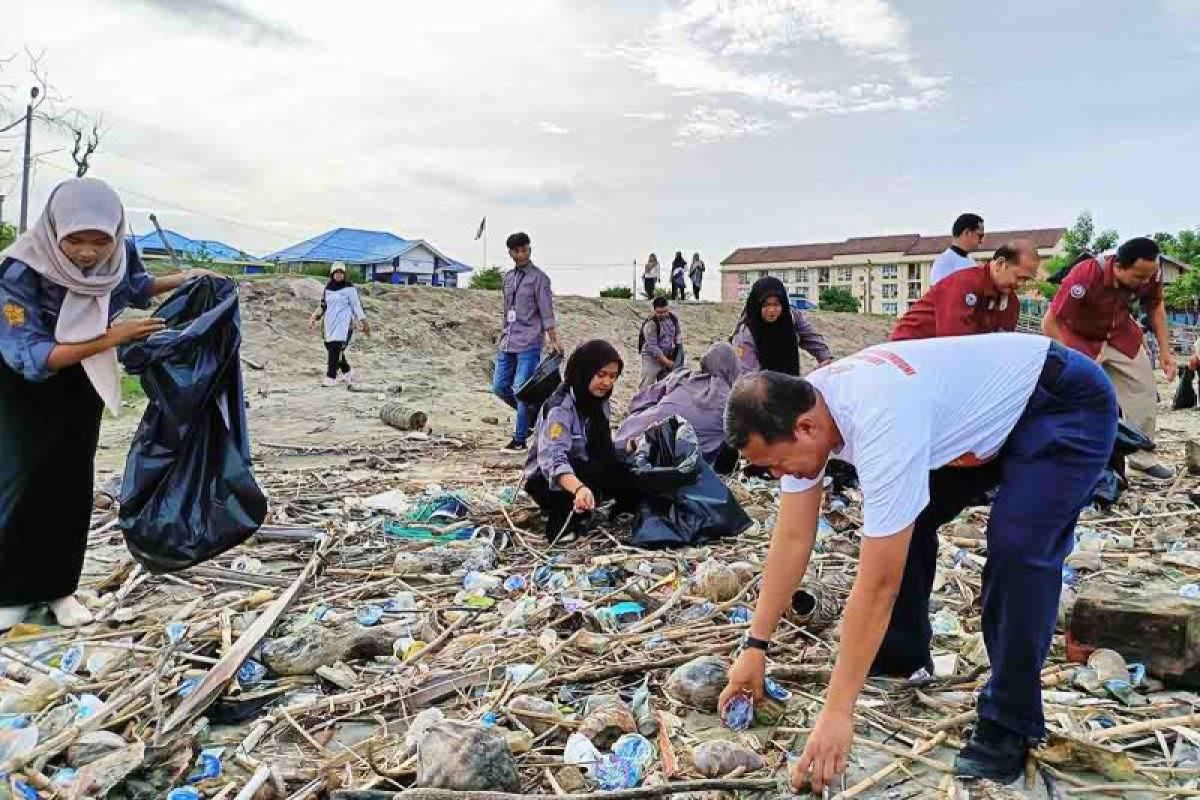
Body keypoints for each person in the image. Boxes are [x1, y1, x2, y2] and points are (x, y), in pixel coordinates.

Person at [719, 333, 1116, 791]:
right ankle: (902, 653)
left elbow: (878, 583)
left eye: (776, 465)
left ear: (806, 428)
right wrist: (755, 646)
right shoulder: (804, 408)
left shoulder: (879, 419)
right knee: (910, 515)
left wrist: (837, 712)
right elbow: (791, 537)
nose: (777, 476)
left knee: (1018, 549)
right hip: (982, 421)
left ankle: (1011, 722)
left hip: (1064, 403)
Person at [0, 177, 226, 632]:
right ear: (54, 230)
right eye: (75, 240)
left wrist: (187, 280)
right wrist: (111, 337)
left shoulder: (121, 254)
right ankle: (10, 594)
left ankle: (60, 589)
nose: (87, 252)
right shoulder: (19, 270)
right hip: (25, 385)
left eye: (99, 240)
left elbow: (136, 286)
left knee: (70, 483)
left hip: (82, 382)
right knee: (21, 483)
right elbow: (32, 354)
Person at [1042, 237, 1177, 479]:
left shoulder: (1151, 274)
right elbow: (1051, 322)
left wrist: (1166, 351)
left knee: (1144, 390)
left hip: (1121, 336)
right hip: (1080, 338)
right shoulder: (1085, 274)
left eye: (1149, 276)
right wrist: (1071, 359)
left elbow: (1155, 307)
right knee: (1084, 397)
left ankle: (1142, 457)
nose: (1145, 281)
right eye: (1139, 277)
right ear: (1118, 266)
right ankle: (1080, 461)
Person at [523, 339, 637, 541]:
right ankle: (563, 526)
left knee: (629, 472)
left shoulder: (599, 403)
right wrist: (579, 488)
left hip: (584, 468)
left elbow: (603, 449)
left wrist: (629, 447)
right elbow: (554, 458)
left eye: (612, 376)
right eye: (601, 375)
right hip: (549, 479)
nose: (607, 382)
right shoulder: (560, 408)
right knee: (580, 478)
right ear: (584, 372)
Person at [616, 341, 740, 472]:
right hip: (684, 467)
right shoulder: (731, 401)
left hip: (633, 443)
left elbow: (638, 402)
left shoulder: (682, 376)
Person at [493, 231, 562, 453]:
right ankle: (532, 416)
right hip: (508, 341)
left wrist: (553, 340)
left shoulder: (539, 278)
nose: (522, 254)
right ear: (511, 253)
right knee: (500, 386)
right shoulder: (508, 278)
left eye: (525, 249)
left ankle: (520, 439)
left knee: (523, 390)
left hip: (530, 342)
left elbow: (546, 312)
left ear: (529, 250)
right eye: (517, 250)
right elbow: (506, 311)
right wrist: (503, 333)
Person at [892, 240, 1039, 341]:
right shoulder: (964, 285)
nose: (1020, 284)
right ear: (1000, 264)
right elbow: (953, 344)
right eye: (1019, 277)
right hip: (909, 350)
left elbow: (1000, 346)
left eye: (1026, 280)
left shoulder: (1010, 303)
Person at [731, 276, 832, 375]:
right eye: (766, 305)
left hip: (791, 381)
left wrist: (825, 358)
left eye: (776, 305)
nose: (771, 310)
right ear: (757, 305)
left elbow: (810, 337)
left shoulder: (791, 316)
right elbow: (748, 374)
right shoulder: (745, 333)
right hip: (761, 386)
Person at [308, 261, 368, 386]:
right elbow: (323, 305)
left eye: (341, 273)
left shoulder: (350, 289)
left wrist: (364, 322)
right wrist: (314, 317)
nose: (339, 275)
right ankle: (347, 371)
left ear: (345, 274)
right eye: (336, 272)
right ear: (332, 274)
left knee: (335, 348)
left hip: (344, 324)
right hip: (329, 323)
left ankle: (331, 377)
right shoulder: (328, 288)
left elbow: (356, 306)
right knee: (331, 348)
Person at [930, 213, 985, 286]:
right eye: (980, 236)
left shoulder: (972, 262)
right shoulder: (944, 262)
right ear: (967, 233)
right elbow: (939, 294)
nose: (981, 241)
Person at [639, 296, 681, 390]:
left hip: (668, 354)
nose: (663, 314)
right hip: (651, 357)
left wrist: (677, 356)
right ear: (654, 311)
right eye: (659, 312)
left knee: (667, 384)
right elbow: (653, 347)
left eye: (665, 311)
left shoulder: (673, 319)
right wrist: (667, 362)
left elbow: (678, 337)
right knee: (648, 382)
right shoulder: (650, 325)